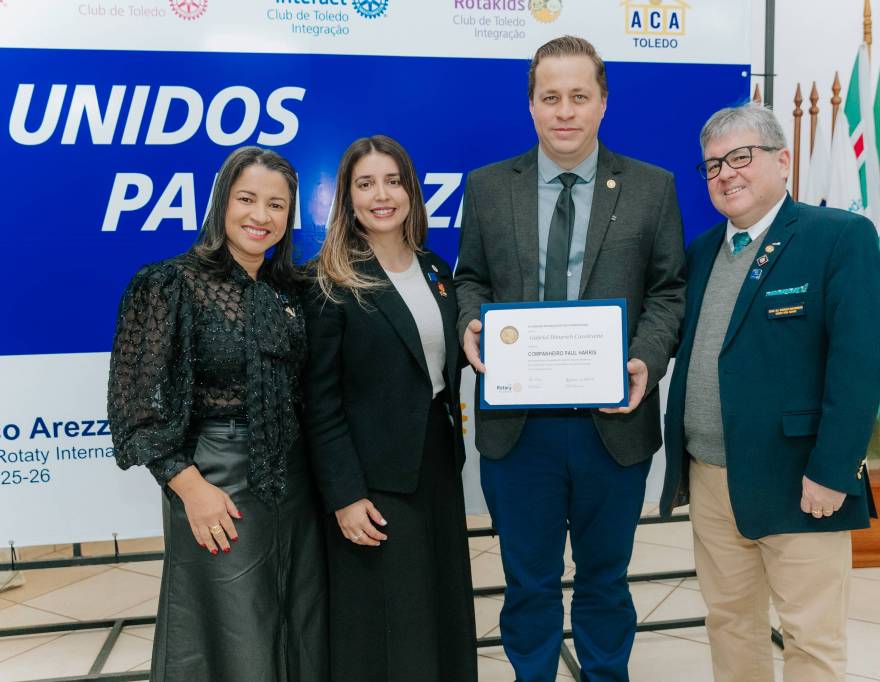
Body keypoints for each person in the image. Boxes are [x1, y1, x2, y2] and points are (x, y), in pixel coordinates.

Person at [455, 35, 686, 680]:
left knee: (605, 580)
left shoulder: (652, 188)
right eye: (550, 96)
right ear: (530, 104)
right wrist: (472, 321)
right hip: (518, 429)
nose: (564, 111)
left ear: (603, 103)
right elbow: (471, 278)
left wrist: (645, 360)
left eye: (579, 96)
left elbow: (669, 291)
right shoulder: (488, 187)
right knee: (527, 583)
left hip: (612, 424)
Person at [660, 103, 880, 681]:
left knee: (811, 637)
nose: (726, 174)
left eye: (741, 157)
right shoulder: (702, 251)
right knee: (730, 623)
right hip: (711, 476)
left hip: (801, 479)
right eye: (713, 165)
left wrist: (833, 471)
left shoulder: (838, 237)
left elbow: (862, 363)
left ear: (783, 161)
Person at [107, 146, 326, 681]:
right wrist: (191, 489)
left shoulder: (292, 290)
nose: (260, 215)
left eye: (277, 204)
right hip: (215, 479)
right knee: (231, 629)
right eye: (247, 199)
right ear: (222, 202)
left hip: (296, 483)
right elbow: (136, 408)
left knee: (299, 623)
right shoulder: (169, 284)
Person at [304, 134, 477, 681]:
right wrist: (346, 496)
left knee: (441, 606)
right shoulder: (331, 281)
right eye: (366, 184)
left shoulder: (436, 269)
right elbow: (320, 404)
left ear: (411, 191)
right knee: (391, 621)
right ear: (348, 198)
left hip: (436, 466)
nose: (382, 195)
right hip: (373, 482)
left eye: (393, 181)